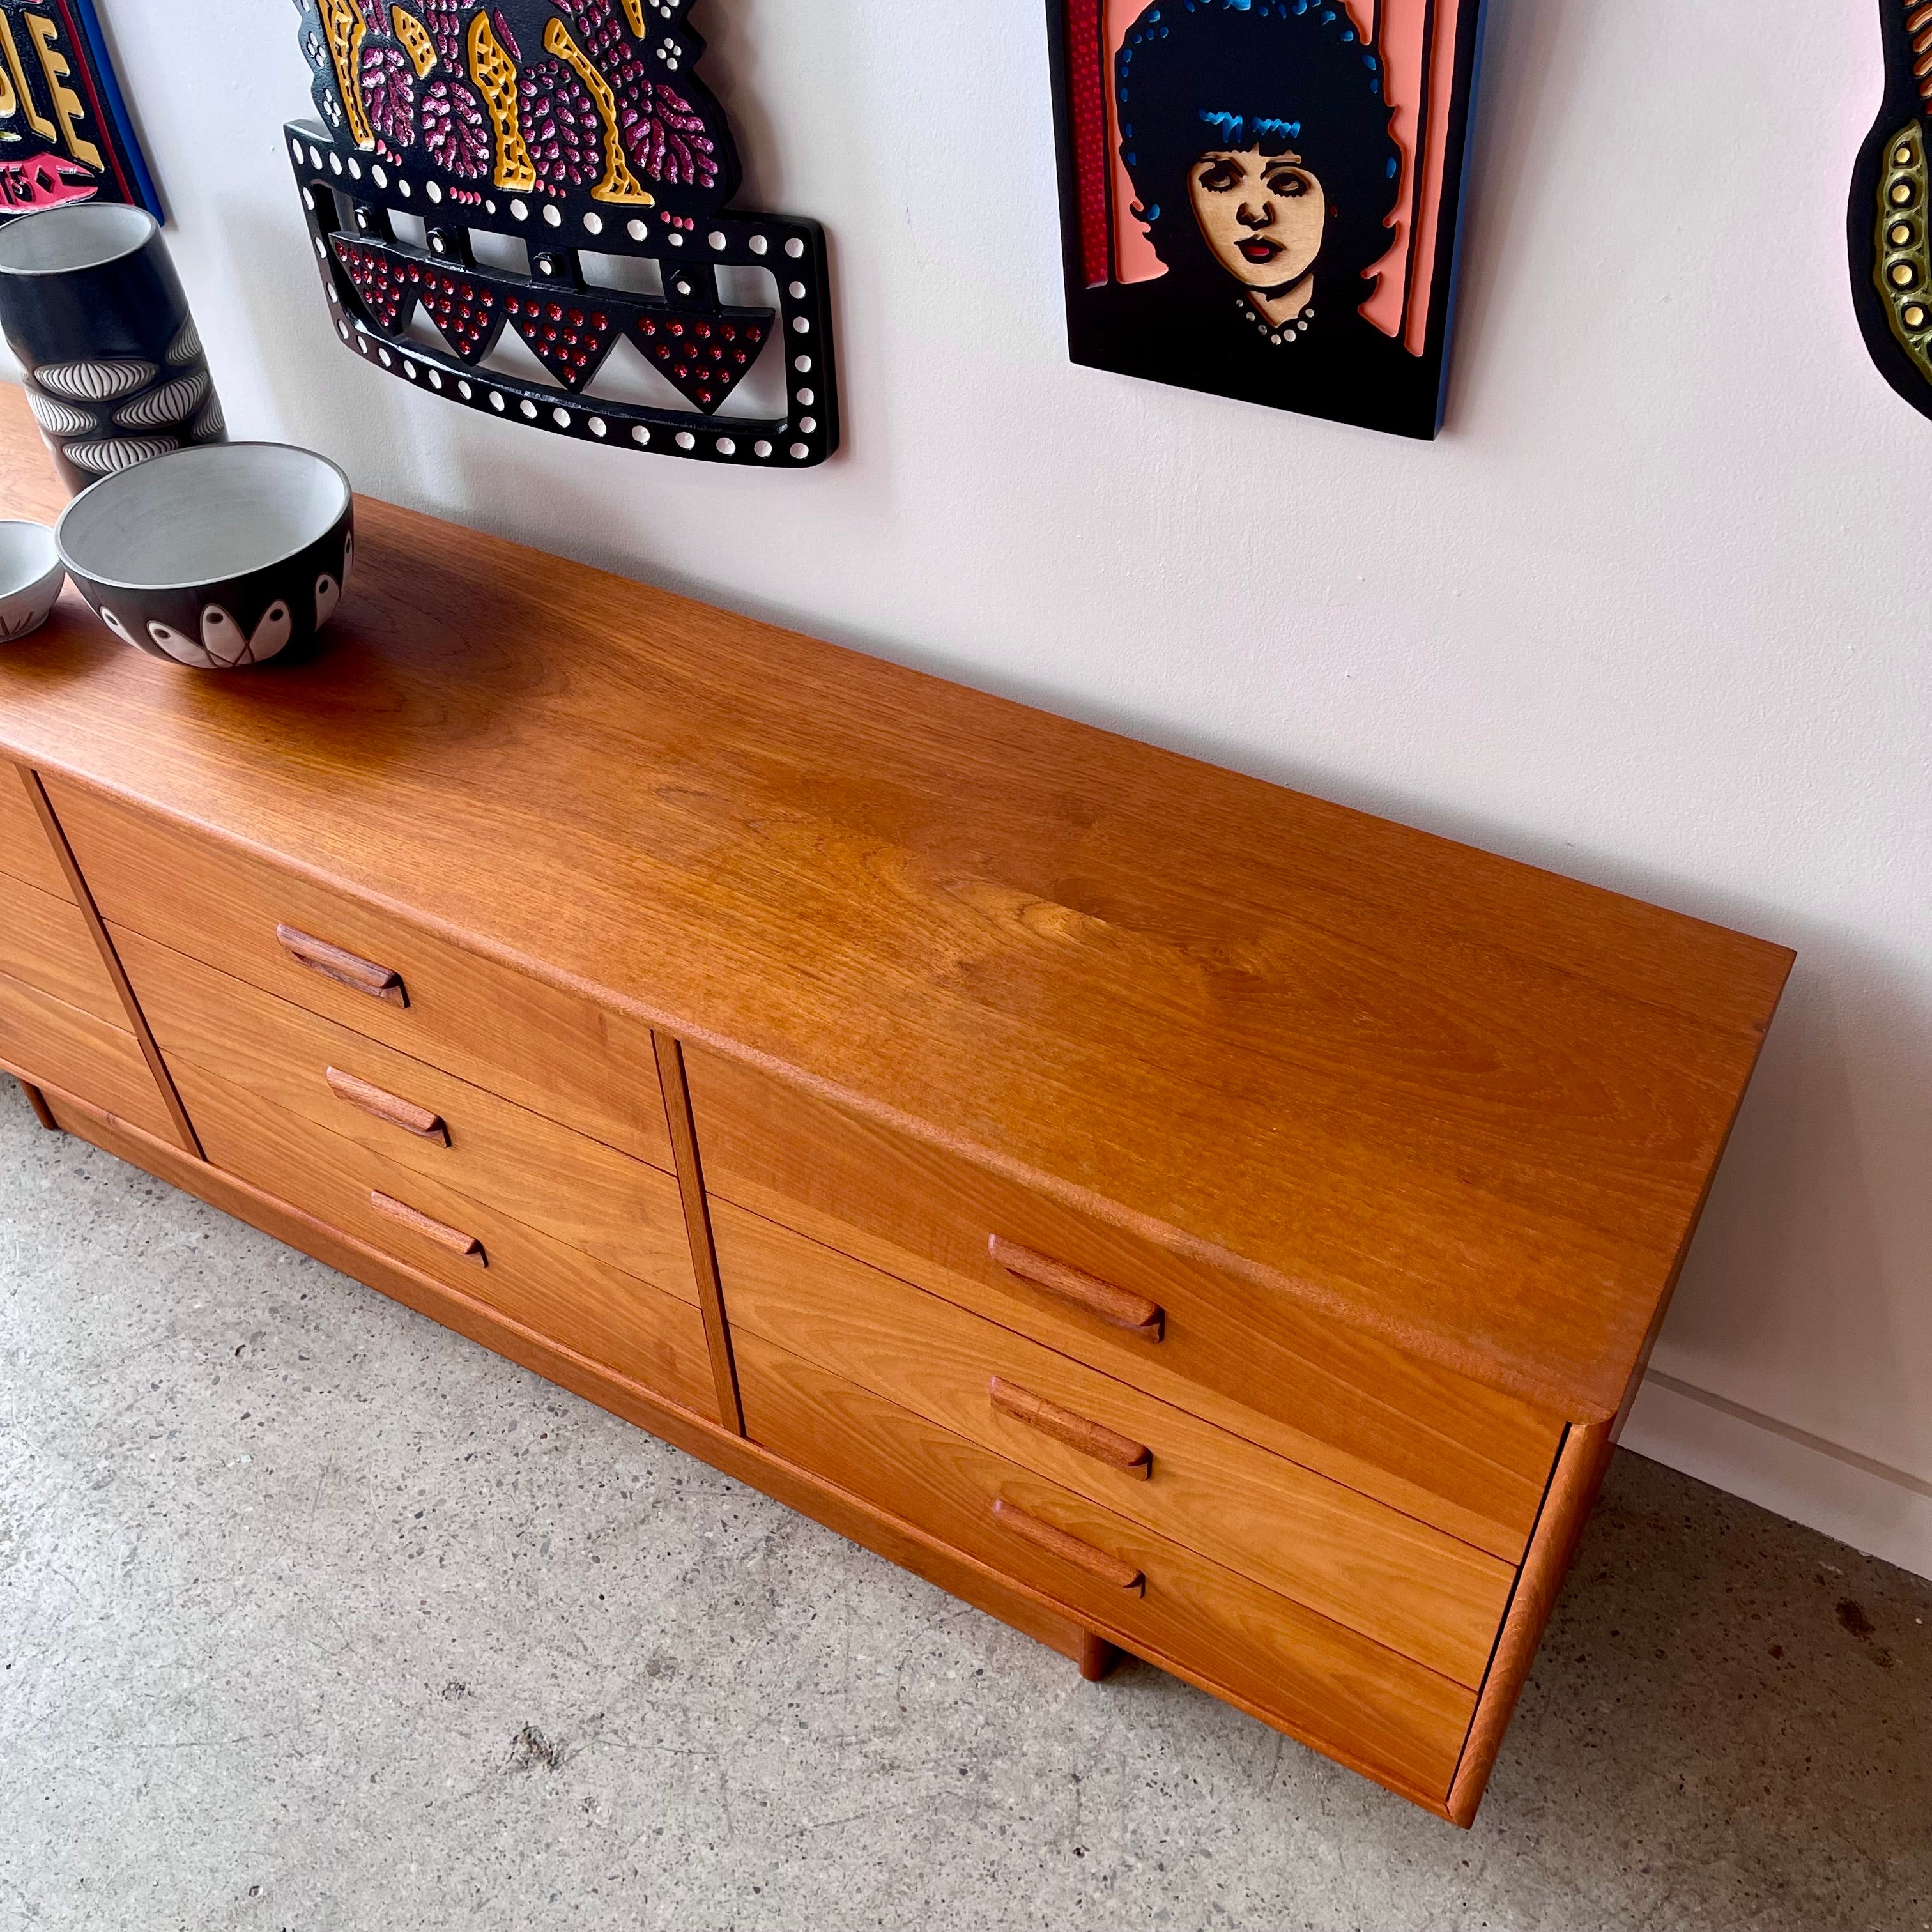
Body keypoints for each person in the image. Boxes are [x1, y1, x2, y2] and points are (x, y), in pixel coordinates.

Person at [1075, 0, 1437, 436]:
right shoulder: (1119, 329)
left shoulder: (1389, 376)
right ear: (1176, 189)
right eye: (1221, 177)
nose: (1253, 212)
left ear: (1344, 192)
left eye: (1287, 183)